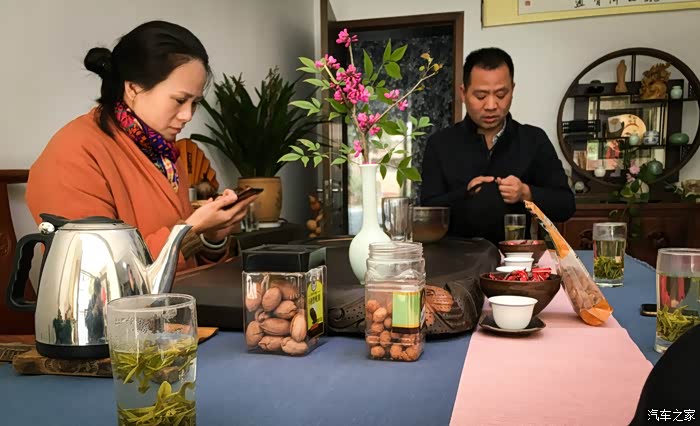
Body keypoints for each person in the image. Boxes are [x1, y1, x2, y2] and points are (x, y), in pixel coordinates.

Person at [26, 21, 256, 271]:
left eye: (195, 103)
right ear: (133, 88)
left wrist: (212, 237)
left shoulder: (164, 152)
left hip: (179, 296)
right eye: (179, 100)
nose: (188, 115)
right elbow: (94, 272)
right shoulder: (74, 152)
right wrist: (189, 230)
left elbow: (186, 267)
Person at [420, 47, 575, 244]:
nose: (491, 105)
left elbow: (565, 205)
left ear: (512, 90)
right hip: (455, 256)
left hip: (515, 258)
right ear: (463, 93)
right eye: (481, 96)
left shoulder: (533, 140)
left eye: (501, 94)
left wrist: (525, 193)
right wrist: (464, 194)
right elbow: (427, 212)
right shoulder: (440, 143)